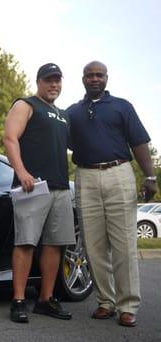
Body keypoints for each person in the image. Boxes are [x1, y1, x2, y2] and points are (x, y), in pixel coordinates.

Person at [66, 61, 158, 327]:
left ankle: (127, 305)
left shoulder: (122, 106)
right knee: (93, 246)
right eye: (89, 75)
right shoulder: (72, 112)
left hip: (119, 173)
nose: (94, 79)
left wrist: (150, 176)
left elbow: (139, 142)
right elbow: (68, 142)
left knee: (124, 244)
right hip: (85, 176)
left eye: (99, 75)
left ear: (106, 78)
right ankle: (106, 301)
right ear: (82, 79)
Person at [3, 63, 75, 323]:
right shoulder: (26, 104)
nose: (54, 84)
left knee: (55, 244)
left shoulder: (63, 115)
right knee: (25, 242)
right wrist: (21, 171)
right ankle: (19, 300)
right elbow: (10, 138)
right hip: (32, 186)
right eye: (49, 80)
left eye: (57, 80)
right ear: (39, 81)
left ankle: (45, 299)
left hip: (60, 187)